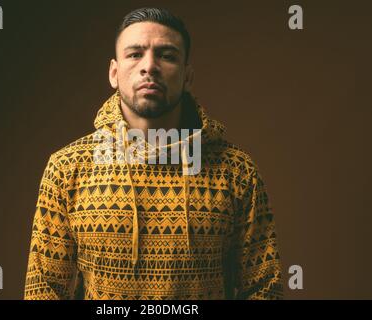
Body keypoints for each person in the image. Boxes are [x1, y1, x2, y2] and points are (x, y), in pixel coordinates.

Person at [24, 7, 283, 300]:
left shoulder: (236, 170)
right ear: (114, 72)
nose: (150, 66)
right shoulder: (67, 167)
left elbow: (264, 289)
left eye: (167, 55)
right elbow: (44, 290)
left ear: (187, 76)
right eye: (135, 54)